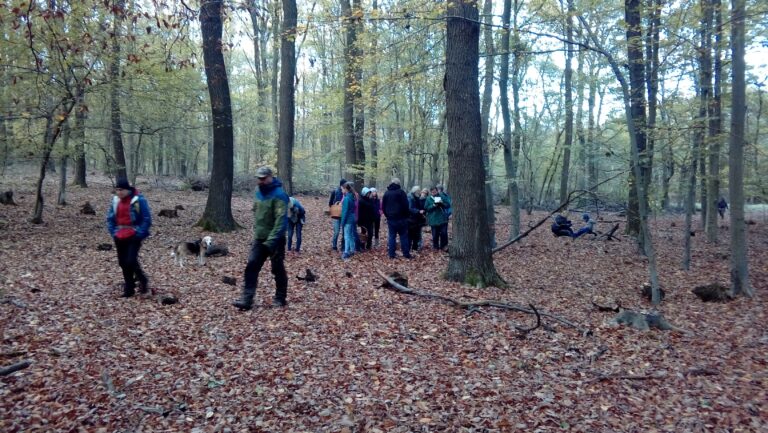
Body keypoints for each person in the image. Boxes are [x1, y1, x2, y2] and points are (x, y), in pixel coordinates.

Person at [233, 166, 289, 310]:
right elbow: (256, 211)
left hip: (275, 239)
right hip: (259, 238)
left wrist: (271, 240)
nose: (261, 181)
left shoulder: (280, 195)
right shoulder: (258, 192)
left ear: (271, 177)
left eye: (264, 178)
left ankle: (280, 297)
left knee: (277, 268)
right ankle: (247, 298)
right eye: (259, 178)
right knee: (251, 265)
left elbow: (281, 221)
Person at [106, 177, 152, 298]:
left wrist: (139, 234)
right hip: (119, 235)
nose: (119, 192)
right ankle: (129, 288)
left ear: (128, 190)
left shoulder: (138, 200)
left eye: (122, 190)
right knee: (122, 262)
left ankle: (142, 279)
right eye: (117, 190)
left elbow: (146, 218)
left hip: (134, 234)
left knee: (130, 260)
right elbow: (110, 218)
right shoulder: (116, 201)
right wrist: (113, 232)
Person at [382, 177, 412, 259]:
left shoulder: (387, 193)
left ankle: (391, 254)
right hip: (401, 218)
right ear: (398, 184)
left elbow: (383, 207)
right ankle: (406, 254)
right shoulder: (401, 193)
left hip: (391, 219)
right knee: (403, 236)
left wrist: (387, 215)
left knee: (392, 236)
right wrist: (406, 215)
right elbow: (406, 205)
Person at [340, 182, 358, 260]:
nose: (341, 191)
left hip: (348, 220)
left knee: (346, 236)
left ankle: (346, 252)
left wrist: (342, 222)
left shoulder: (347, 198)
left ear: (345, 189)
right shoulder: (351, 197)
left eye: (342, 189)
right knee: (350, 235)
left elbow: (345, 211)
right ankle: (352, 249)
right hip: (352, 218)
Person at [328, 178, 346, 251]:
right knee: (337, 231)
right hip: (336, 215)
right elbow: (330, 203)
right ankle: (334, 245)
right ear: (341, 184)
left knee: (344, 231)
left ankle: (343, 246)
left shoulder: (346, 192)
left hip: (344, 214)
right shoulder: (335, 191)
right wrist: (335, 208)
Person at [407, 186, 427, 251]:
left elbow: (422, 206)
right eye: (419, 191)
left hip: (417, 220)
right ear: (415, 191)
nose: (420, 192)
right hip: (411, 220)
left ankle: (414, 248)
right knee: (410, 235)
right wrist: (418, 211)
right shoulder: (410, 197)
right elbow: (410, 208)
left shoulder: (418, 197)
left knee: (417, 235)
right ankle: (409, 248)